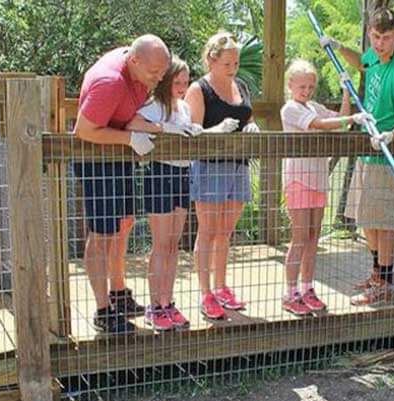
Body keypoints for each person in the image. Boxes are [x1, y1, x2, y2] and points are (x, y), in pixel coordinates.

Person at [320, 8, 394, 306]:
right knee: (367, 219)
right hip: (368, 154)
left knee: (383, 222)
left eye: (386, 38)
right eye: (375, 37)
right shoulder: (375, 56)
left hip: (387, 154)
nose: (379, 44)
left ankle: (385, 282)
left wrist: (390, 135)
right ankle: (379, 274)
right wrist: (338, 47)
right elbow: (362, 63)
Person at [74, 34, 172, 334]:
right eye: (153, 73)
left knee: (124, 224)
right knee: (101, 235)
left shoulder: (139, 66)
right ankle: (103, 310)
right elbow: (84, 130)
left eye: (161, 73)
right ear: (134, 61)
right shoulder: (111, 82)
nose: (157, 79)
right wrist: (129, 138)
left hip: (118, 155)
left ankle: (119, 294)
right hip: (96, 158)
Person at [279, 59, 363, 315]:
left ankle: (307, 287)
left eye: (311, 87)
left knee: (314, 237)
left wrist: (347, 91)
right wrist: (352, 116)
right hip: (298, 179)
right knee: (300, 236)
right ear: (291, 85)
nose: (306, 91)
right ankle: (290, 292)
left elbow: (341, 121)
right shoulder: (290, 109)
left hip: (318, 179)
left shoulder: (313, 106)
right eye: (302, 86)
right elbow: (320, 124)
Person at [125, 56, 202, 331]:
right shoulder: (154, 105)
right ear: (166, 80)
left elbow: (190, 133)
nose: (182, 87)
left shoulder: (184, 107)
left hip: (182, 174)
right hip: (160, 174)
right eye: (177, 81)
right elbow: (133, 123)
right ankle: (154, 305)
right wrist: (163, 128)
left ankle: (168, 303)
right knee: (160, 244)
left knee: (173, 244)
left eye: (185, 82)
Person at [185, 32, 258, 320]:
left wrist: (253, 127)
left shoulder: (240, 85)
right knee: (208, 231)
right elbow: (193, 131)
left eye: (236, 63)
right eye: (228, 63)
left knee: (225, 232)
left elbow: (248, 117)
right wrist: (218, 131)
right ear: (212, 60)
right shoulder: (198, 89)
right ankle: (205, 293)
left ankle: (221, 286)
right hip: (210, 166)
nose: (233, 68)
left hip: (239, 165)